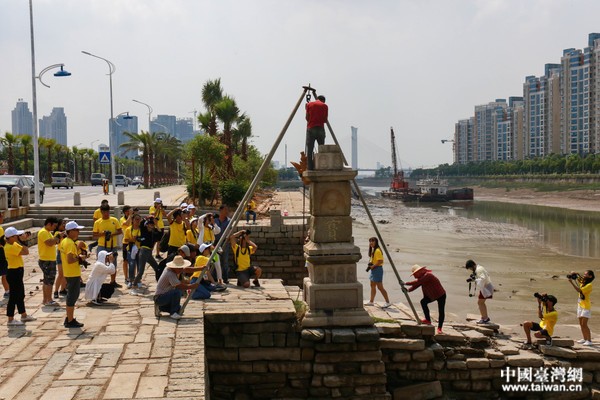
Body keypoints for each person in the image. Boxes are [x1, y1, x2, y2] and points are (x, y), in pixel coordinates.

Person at [2, 227, 36, 326]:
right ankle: (10, 319)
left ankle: (23, 315)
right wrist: (24, 241)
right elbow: (26, 252)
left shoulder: (14, 244)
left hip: (18, 271)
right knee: (13, 296)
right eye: (16, 236)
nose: (18, 237)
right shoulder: (9, 247)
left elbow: (23, 249)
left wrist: (23, 241)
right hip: (13, 273)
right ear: (11, 237)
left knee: (20, 294)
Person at [153, 255, 203, 319]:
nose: (181, 269)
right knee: (177, 291)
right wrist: (192, 286)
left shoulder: (174, 269)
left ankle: (160, 308)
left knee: (179, 309)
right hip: (160, 298)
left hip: (164, 296)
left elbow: (187, 269)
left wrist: (200, 268)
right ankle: (173, 313)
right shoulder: (170, 273)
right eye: (180, 268)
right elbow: (180, 286)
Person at [59, 221, 88, 328]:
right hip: (72, 273)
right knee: (72, 296)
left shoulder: (65, 241)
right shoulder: (70, 243)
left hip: (69, 272)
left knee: (72, 295)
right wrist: (81, 258)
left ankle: (69, 318)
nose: (79, 232)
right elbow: (70, 259)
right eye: (76, 230)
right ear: (70, 231)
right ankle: (70, 320)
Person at [406, 264, 446, 334]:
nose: (415, 276)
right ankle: (428, 320)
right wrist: (407, 290)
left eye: (415, 274)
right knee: (423, 302)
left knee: (441, 311)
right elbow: (416, 285)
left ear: (419, 272)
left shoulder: (428, 275)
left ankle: (440, 328)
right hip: (431, 295)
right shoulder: (421, 278)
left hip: (440, 294)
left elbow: (417, 282)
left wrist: (405, 283)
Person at [92, 204, 122, 287]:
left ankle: (113, 281)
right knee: (101, 263)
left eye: (108, 211)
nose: (106, 213)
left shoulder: (114, 220)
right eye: (104, 212)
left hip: (112, 245)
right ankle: (99, 281)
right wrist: (101, 234)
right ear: (101, 212)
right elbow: (94, 234)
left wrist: (112, 234)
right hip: (102, 245)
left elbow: (120, 231)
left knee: (114, 263)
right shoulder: (98, 222)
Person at [131, 217, 162, 295]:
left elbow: (160, 233)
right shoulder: (144, 230)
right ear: (147, 225)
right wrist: (147, 218)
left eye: (152, 225)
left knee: (157, 268)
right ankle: (133, 287)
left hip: (149, 253)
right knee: (141, 271)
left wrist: (156, 224)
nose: (152, 226)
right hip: (143, 251)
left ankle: (161, 285)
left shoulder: (153, 233)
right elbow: (141, 223)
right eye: (150, 224)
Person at [38, 217, 62, 306]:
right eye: (54, 226)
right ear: (49, 224)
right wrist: (58, 236)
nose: (54, 228)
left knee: (46, 280)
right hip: (47, 260)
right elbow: (50, 243)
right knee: (49, 281)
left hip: (48, 259)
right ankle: (49, 299)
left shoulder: (47, 232)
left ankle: (45, 299)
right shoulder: (43, 232)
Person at [568, 270, 594, 346]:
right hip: (580, 305)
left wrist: (571, 282)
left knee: (584, 324)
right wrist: (573, 273)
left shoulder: (589, 285)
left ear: (590, 276)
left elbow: (579, 290)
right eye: (584, 274)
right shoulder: (583, 282)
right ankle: (584, 338)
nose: (584, 275)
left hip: (586, 306)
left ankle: (589, 340)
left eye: (586, 274)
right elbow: (578, 278)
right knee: (581, 324)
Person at [364, 237, 392, 308]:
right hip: (374, 269)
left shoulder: (377, 251)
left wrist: (373, 266)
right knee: (372, 285)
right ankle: (371, 301)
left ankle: (388, 302)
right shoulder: (374, 250)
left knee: (380, 287)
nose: (371, 243)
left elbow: (380, 261)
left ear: (376, 242)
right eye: (370, 241)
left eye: (372, 241)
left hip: (377, 269)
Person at [465, 259, 494, 324]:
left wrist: (475, 280)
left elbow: (483, 279)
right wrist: (475, 278)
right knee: (480, 302)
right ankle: (484, 317)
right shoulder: (480, 268)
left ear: (472, 266)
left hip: (486, 287)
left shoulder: (479, 270)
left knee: (480, 303)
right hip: (487, 286)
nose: (470, 269)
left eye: (470, 268)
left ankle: (485, 318)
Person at [305, 94, 328, 170]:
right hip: (320, 128)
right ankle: (322, 166)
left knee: (310, 149)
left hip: (311, 128)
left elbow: (307, 118)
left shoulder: (309, 104)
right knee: (321, 148)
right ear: (323, 101)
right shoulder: (325, 106)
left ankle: (310, 167)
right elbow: (325, 120)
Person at [124, 214, 142, 290]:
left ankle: (138, 280)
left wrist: (139, 239)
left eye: (139, 219)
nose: (137, 221)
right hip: (131, 249)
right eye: (136, 219)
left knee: (139, 266)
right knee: (131, 265)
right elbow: (125, 240)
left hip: (140, 249)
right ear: (133, 220)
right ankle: (130, 280)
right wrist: (132, 239)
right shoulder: (128, 229)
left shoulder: (142, 229)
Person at [214, 205, 231, 284]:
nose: (227, 212)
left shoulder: (229, 220)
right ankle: (215, 278)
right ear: (221, 211)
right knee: (215, 260)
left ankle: (225, 278)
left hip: (224, 241)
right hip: (215, 242)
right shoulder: (215, 220)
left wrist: (228, 236)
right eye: (225, 210)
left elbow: (230, 230)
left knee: (225, 261)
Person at [53, 218, 68, 299]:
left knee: (65, 273)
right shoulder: (57, 233)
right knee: (61, 274)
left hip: (66, 253)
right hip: (60, 253)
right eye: (63, 224)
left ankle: (63, 289)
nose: (64, 225)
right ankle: (56, 291)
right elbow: (60, 236)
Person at [119, 205, 133, 285]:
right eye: (129, 211)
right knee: (125, 261)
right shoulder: (122, 219)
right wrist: (130, 216)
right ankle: (126, 277)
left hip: (134, 241)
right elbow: (127, 224)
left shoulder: (133, 217)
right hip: (126, 242)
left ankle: (133, 276)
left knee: (134, 260)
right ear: (125, 212)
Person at [0, 210, 9, 297]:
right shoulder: (0, 229)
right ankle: (7, 291)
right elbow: (2, 242)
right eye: (2, 216)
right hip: (0, 252)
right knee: (4, 272)